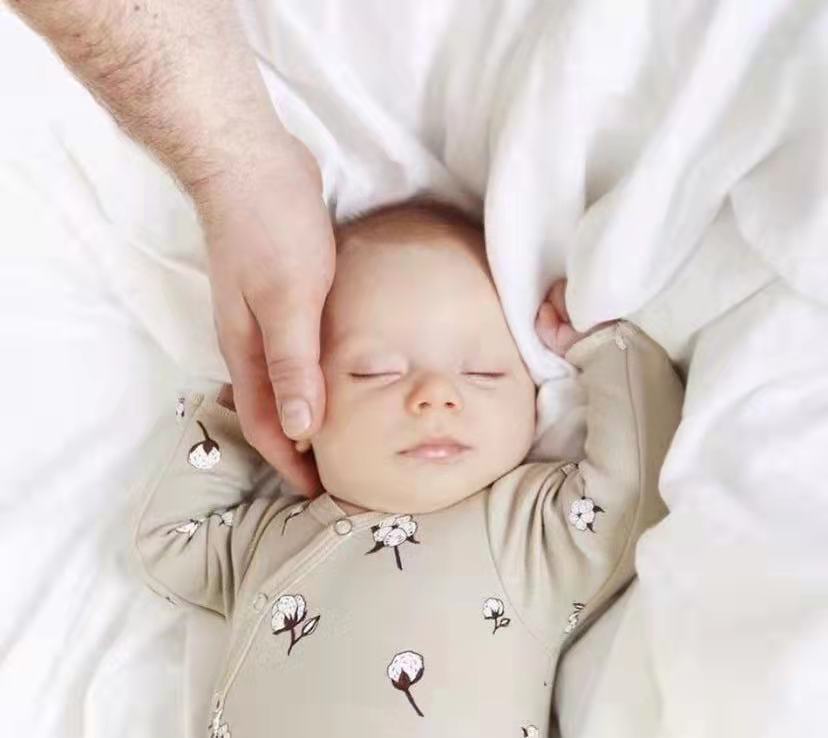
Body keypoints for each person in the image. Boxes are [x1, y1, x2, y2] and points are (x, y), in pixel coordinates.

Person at [132, 201, 684, 736]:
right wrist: (240, 417)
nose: (435, 394)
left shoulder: (524, 533)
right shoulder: (266, 541)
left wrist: (605, 349)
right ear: (299, 405)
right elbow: (169, 542)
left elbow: (631, 493)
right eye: (376, 372)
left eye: (483, 372)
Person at [10, 0, 333, 494]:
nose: (435, 396)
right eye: (373, 371)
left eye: (468, 370)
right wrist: (225, 429)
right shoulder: (275, 521)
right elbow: (175, 527)